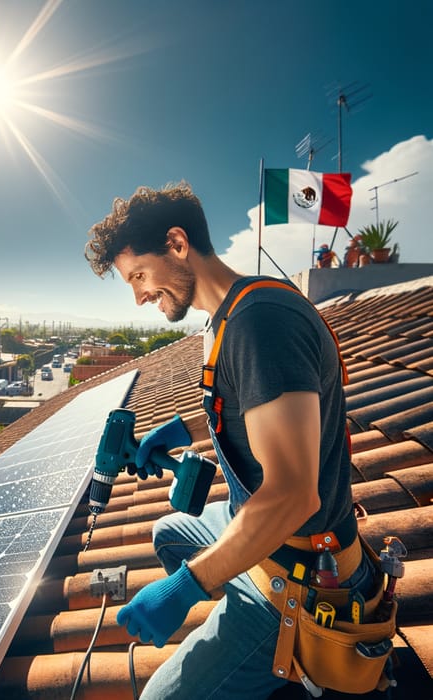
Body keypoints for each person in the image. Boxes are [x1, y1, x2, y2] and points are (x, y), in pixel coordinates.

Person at [84, 182, 378, 699]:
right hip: (264, 530)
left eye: (139, 276)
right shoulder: (224, 321)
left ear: (177, 244)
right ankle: (231, 599)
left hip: (302, 569)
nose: (140, 296)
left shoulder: (261, 325)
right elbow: (242, 404)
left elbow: (292, 495)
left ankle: (253, 636)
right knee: (169, 531)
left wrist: (187, 586)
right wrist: (177, 431)